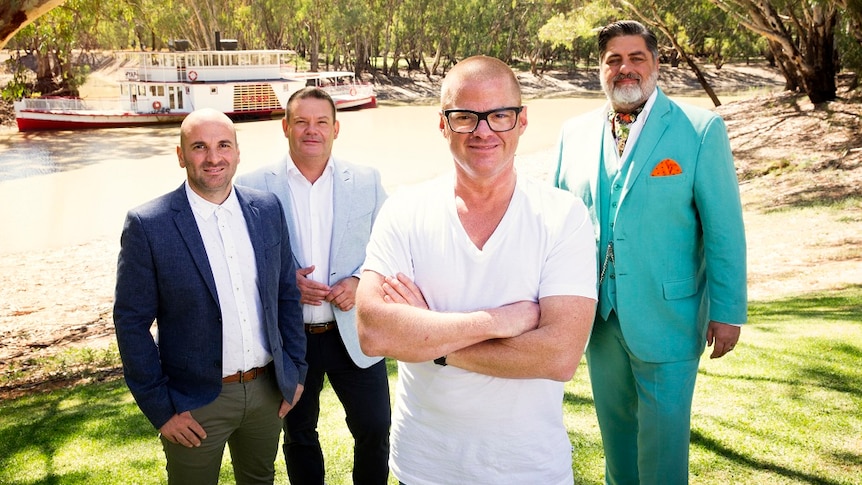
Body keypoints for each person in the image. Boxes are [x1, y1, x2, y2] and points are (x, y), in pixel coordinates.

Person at [355, 55, 597, 484]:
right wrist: (501, 321)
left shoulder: (563, 216)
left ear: (522, 121)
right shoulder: (405, 210)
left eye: (499, 115)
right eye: (465, 117)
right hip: (425, 466)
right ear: (443, 124)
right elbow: (374, 331)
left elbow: (560, 355)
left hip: (530, 468)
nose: (483, 131)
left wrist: (431, 344)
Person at [553, 20, 748, 484]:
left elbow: (724, 229)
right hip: (599, 319)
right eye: (613, 60)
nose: (625, 69)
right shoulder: (572, 133)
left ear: (656, 64)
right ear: (600, 68)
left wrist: (728, 311)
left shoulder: (700, 129)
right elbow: (556, 226)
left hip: (671, 318)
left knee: (662, 451)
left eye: (636, 57)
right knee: (617, 444)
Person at [113, 108, 307, 485]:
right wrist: (162, 409)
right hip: (193, 403)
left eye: (223, 146)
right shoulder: (148, 224)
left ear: (237, 152)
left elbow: (286, 294)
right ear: (181, 155)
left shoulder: (266, 209)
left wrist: (295, 371)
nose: (213, 158)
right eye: (199, 147)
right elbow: (131, 322)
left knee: (260, 479)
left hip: (267, 391)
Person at [236, 87, 391, 485]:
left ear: (336, 129)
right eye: (301, 122)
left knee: (374, 428)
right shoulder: (252, 186)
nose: (312, 130)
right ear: (285, 127)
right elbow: (235, 260)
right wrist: (284, 282)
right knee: (299, 434)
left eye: (321, 122)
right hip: (291, 339)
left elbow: (391, 247)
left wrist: (359, 281)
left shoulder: (368, 181)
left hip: (353, 334)